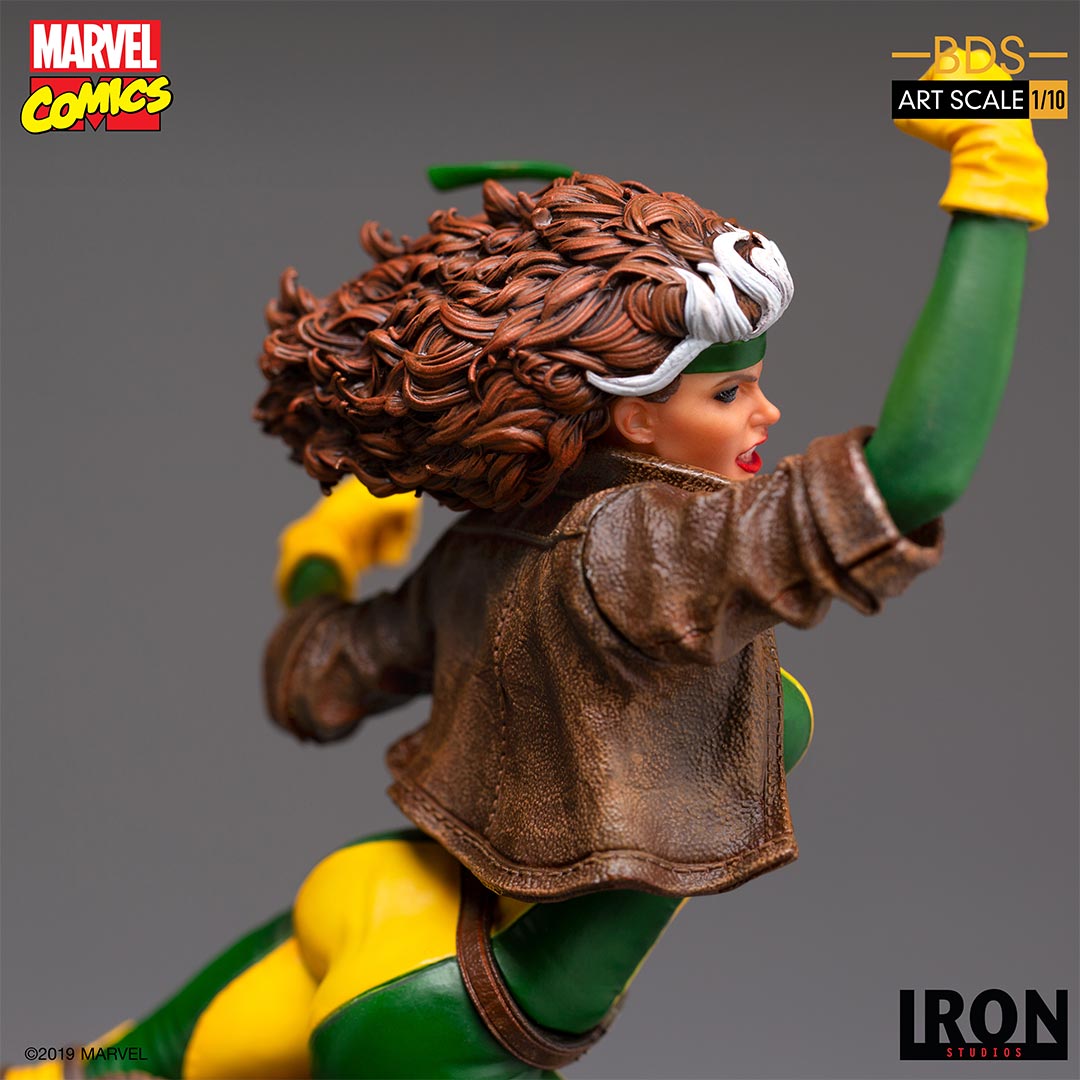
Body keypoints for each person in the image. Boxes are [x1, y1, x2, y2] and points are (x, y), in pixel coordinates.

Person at [5, 50, 1047, 1080]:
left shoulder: (484, 547)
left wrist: (319, 557)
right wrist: (993, 187)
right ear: (634, 415)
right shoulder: (649, 551)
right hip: (459, 1012)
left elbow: (312, 684)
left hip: (373, 903)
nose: (766, 413)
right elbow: (913, 473)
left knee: (98, 1069)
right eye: (729, 394)